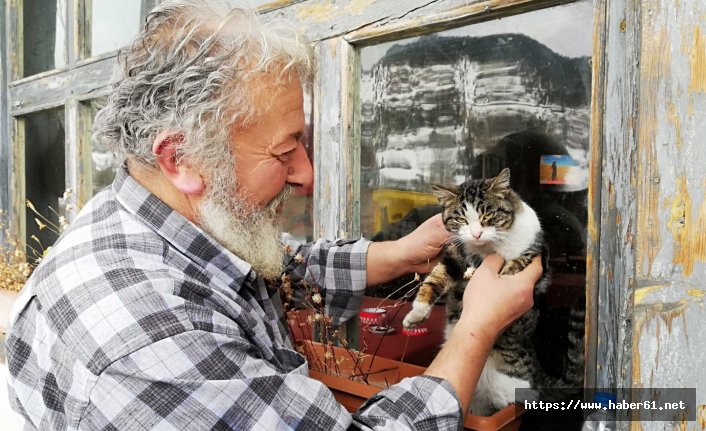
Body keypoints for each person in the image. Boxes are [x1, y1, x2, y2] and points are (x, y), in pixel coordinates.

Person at [6, 1, 541, 429]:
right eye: (285, 152)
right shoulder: (154, 343)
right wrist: (476, 329)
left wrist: (399, 254)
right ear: (180, 157)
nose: (305, 175)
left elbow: (274, 267)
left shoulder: (141, 218)